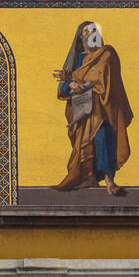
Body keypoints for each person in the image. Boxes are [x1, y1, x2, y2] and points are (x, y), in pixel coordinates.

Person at [52, 21, 134, 195]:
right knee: (82, 145)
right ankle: (88, 177)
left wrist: (78, 80)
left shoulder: (106, 54)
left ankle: (109, 180)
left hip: (101, 107)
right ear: (81, 38)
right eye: (86, 36)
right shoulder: (77, 59)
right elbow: (63, 87)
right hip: (79, 111)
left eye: (93, 35)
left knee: (102, 136)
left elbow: (103, 79)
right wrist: (71, 84)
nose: (89, 39)